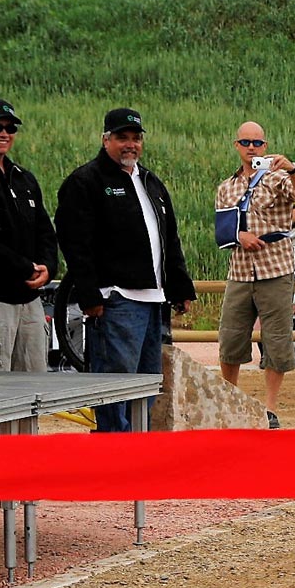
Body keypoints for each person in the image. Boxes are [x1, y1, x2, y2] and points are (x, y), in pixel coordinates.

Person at [54, 107, 194, 430]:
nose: (130, 144)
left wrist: (180, 287)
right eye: (121, 138)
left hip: (153, 303)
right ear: (106, 140)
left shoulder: (150, 182)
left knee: (146, 386)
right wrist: (90, 294)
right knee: (114, 389)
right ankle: (112, 449)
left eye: (135, 138)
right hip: (115, 301)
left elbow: (168, 238)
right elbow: (76, 245)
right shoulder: (85, 181)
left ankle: (137, 451)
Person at [213, 120, 295, 427]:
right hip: (240, 270)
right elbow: (222, 231)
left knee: (277, 340)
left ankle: (270, 408)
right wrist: (239, 236)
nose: (251, 148)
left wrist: (292, 168)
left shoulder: (279, 178)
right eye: (245, 143)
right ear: (236, 146)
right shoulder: (226, 187)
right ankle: (231, 401)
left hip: (275, 268)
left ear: (265, 146)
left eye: (257, 143)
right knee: (230, 339)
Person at [0, 98, 55, 375]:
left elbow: (45, 230)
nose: (4, 133)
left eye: (10, 128)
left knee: (34, 384)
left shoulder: (23, 178)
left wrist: (48, 268)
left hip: (30, 300)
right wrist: (25, 267)